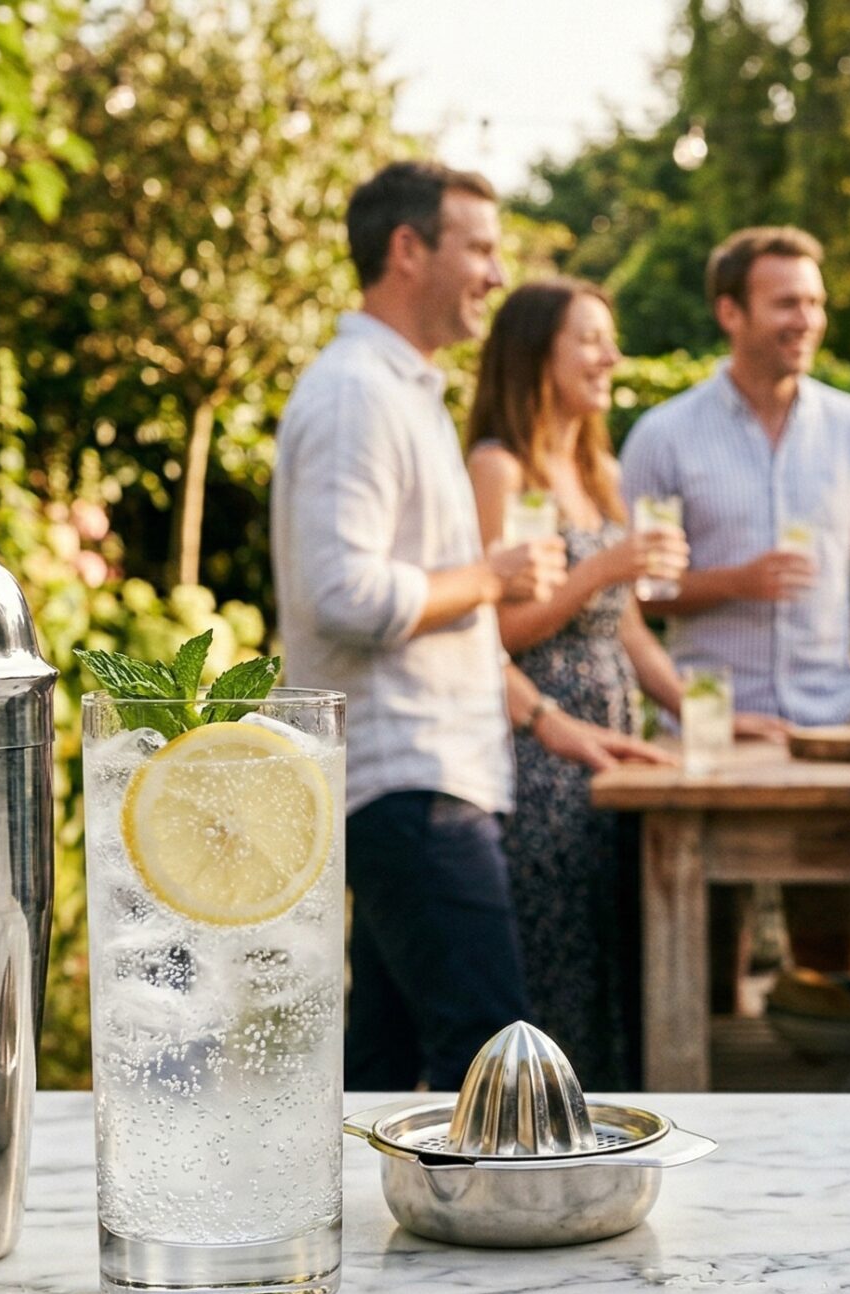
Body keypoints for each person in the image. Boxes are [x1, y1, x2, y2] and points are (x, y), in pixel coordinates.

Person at [272, 161, 661, 1093]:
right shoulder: (356, 393)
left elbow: (447, 623)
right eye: (479, 247)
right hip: (409, 784)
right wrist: (490, 575)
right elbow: (343, 594)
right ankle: (474, 1238)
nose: (496, 272)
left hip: (431, 776)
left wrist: (546, 723)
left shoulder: (404, 390)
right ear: (408, 250)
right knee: (495, 1068)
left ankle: (345, 1239)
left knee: (381, 1062)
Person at [619, 226, 850, 976]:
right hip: (711, 734)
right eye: (785, 302)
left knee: (830, 953)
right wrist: (733, 581)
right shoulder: (664, 435)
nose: (805, 319)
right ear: (730, 312)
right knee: (708, 956)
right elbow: (634, 595)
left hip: (829, 728)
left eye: (813, 301)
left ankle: (826, 1081)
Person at [465, 278, 704, 1090]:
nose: (612, 356)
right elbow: (490, 630)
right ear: (539, 352)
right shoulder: (498, 465)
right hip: (539, 739)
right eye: (592, 340)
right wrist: (599, 569)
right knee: (556, 943)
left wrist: (695, 712)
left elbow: (627, 623)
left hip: (614, 731)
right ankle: (540, 1117)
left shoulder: (598, 465)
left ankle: (612, 1113)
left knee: (617, 938)